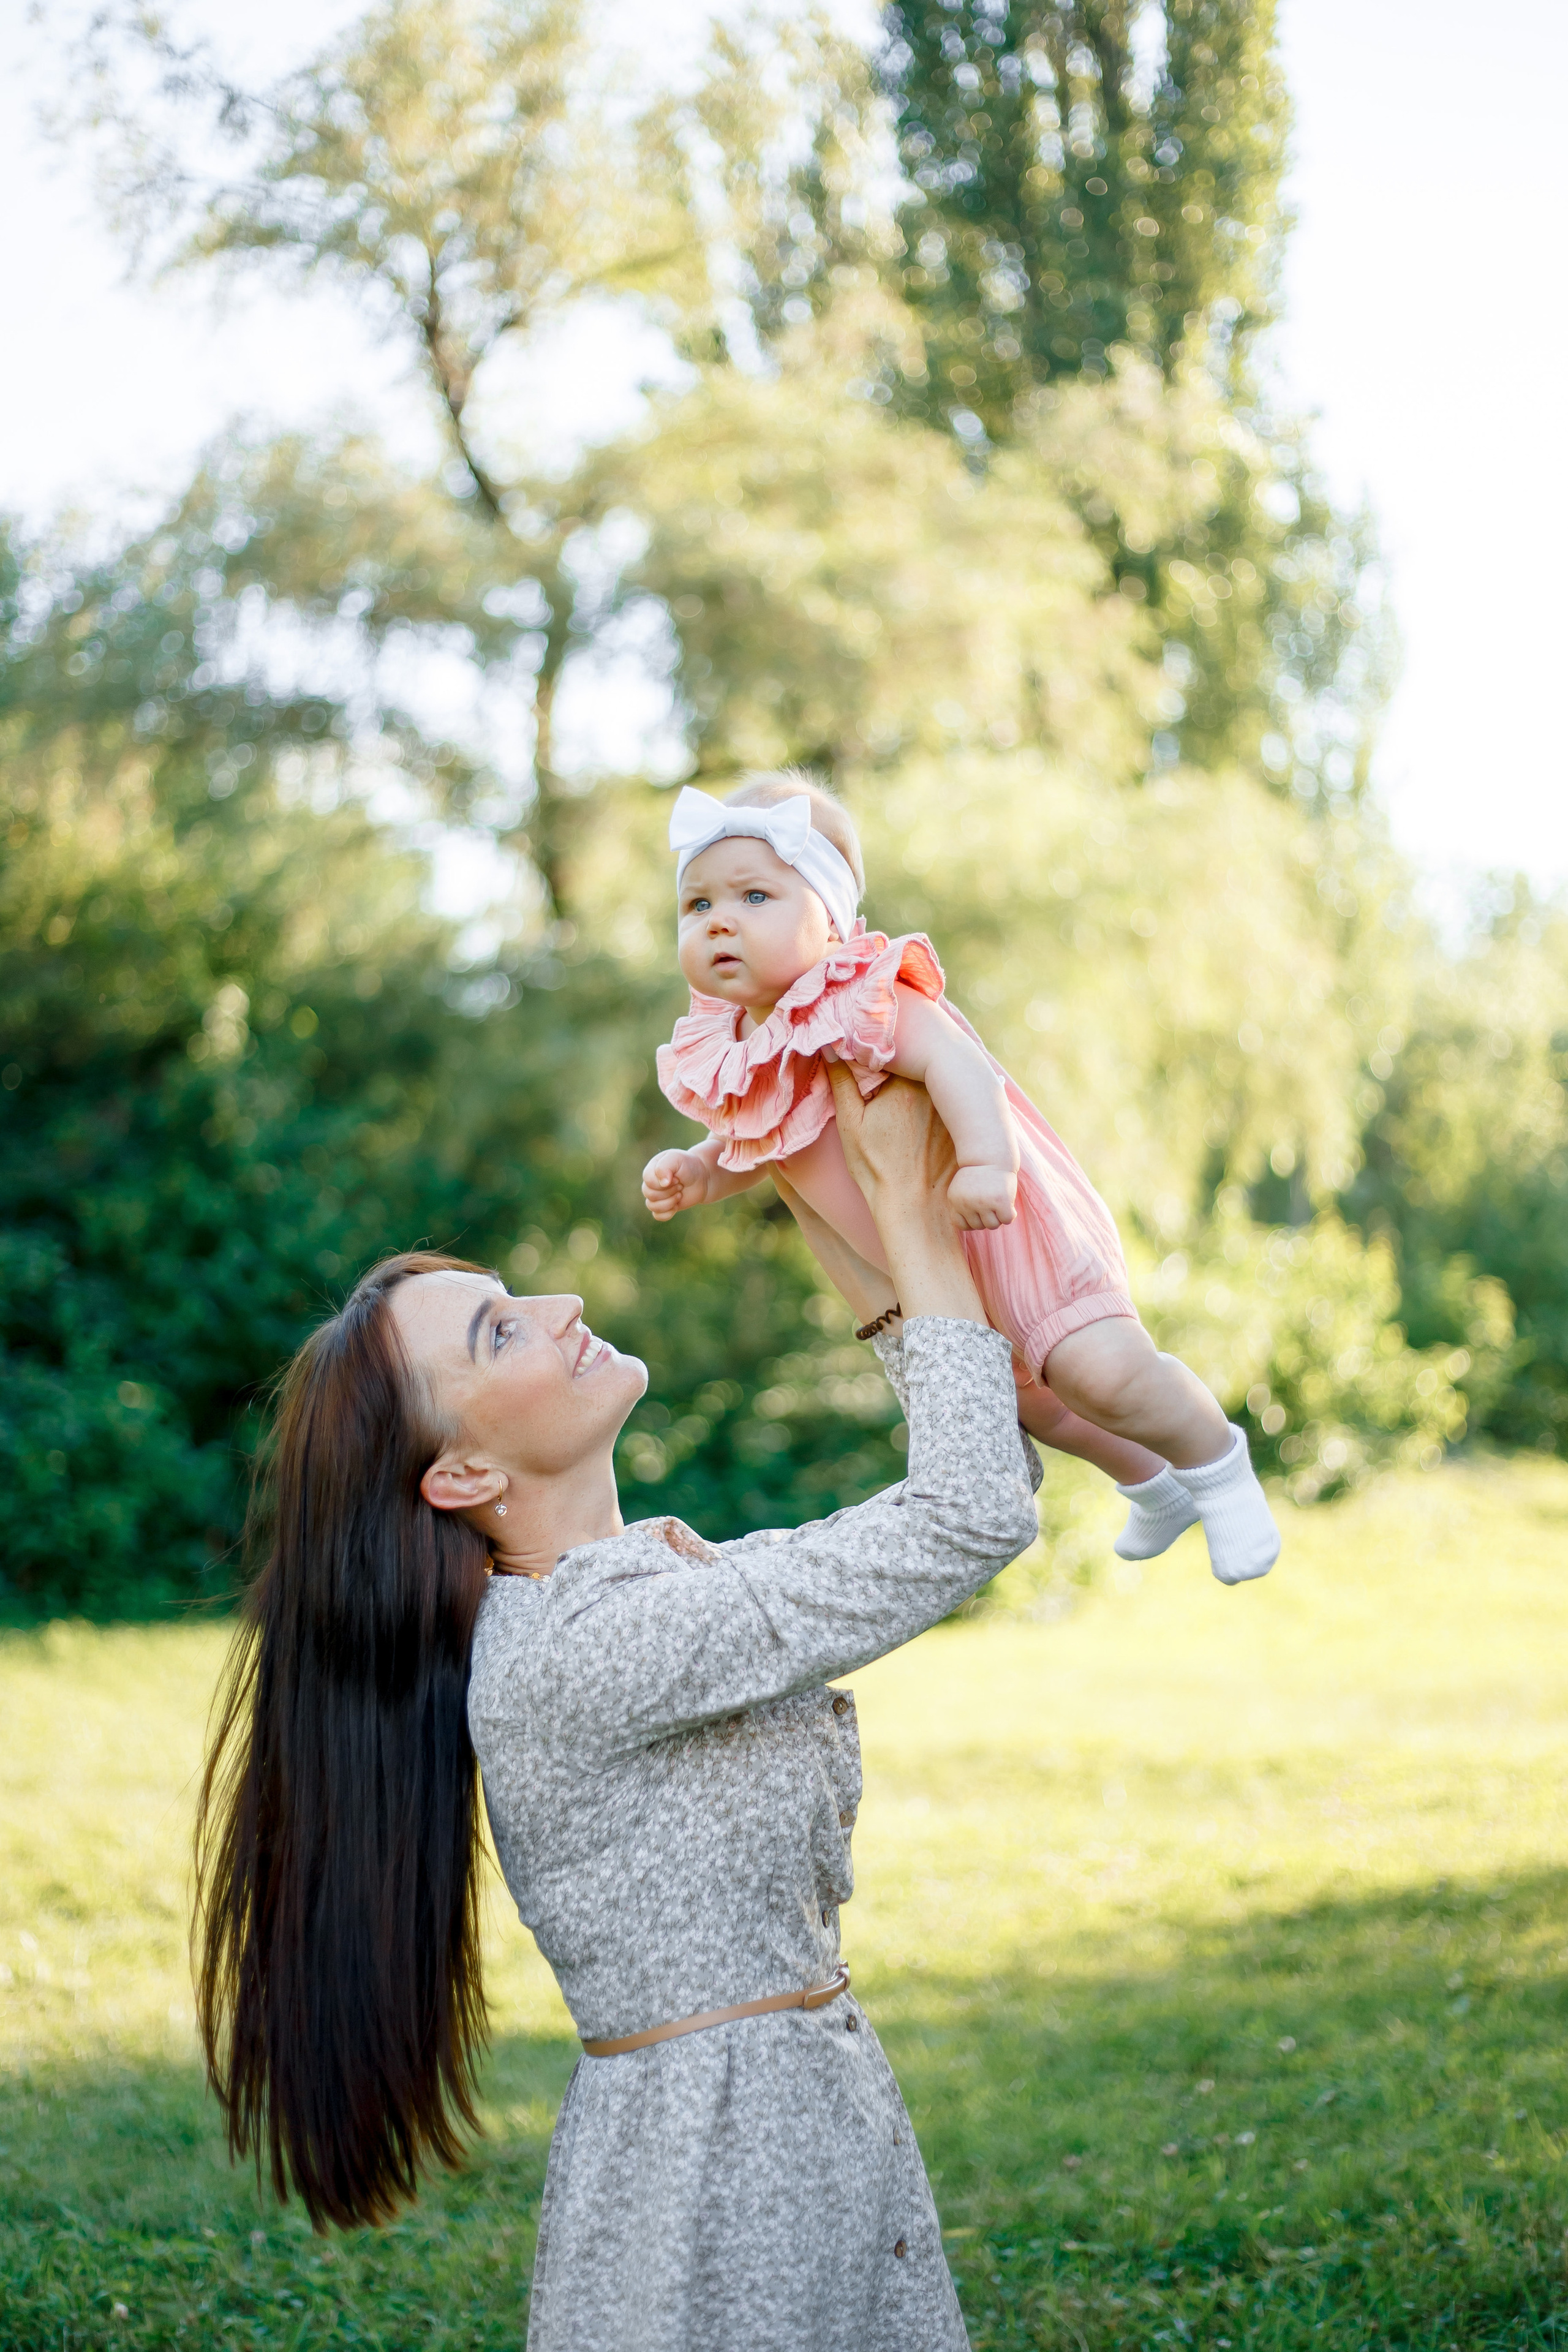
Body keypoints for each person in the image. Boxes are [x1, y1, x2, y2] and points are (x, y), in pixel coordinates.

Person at [194, 1066, 1042, 2352]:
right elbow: (969, 1512)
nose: (563, 1308)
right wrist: (908, 1215)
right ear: (460, 1473)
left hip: (800, 2124)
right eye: (499, 1333)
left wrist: (825, 1188)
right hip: (721, 2186)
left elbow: (986, 1470)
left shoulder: (639, 1588)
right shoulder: (589, 1650)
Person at [643, 770, 1281, 1586]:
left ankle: (1220, 1467)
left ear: (831, 920)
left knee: (1101, 1374)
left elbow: (958, 1064)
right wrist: (701, 1171)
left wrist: (987, 1162)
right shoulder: (736, 1048)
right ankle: (1152, 1484)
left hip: (1005, 1230)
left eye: (755, 897)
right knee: (1036, 1406)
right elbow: (759, 1140)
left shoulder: (859, 997)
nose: (719, 921)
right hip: (934, 1275)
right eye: (697, 905)